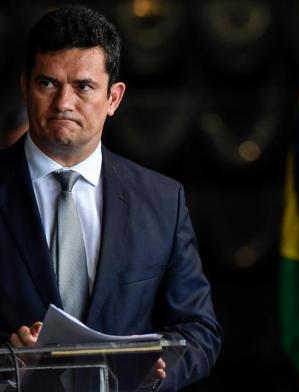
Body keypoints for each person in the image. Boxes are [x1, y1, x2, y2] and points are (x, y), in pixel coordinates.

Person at [0, 5, 222, 391]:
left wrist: (156, 372)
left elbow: (199, 328)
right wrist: (8, 360)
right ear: (25, 87)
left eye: (83, 86)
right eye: (48, 83)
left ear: (114, 98)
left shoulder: (162, 201)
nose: (63, 103)